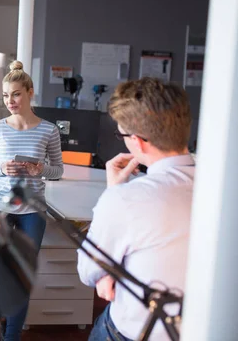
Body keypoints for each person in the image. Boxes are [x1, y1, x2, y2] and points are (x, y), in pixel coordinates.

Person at [77, 77, 194, 340]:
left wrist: (113, 193)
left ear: (138, 142)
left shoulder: (127, 198)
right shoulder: (221, 189)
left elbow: (88, 270)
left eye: (122, 135)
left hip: (136, 332)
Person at [0, 60, 64, 341]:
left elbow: (58, 171)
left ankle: (11, 336)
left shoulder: (49, 130)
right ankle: (6, 320)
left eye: (15, 94)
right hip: (0, 207)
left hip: (32, 210)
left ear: (29, 92)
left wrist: (42, 170)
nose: (10, 101)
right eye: (5, 95)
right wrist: (1, 168)